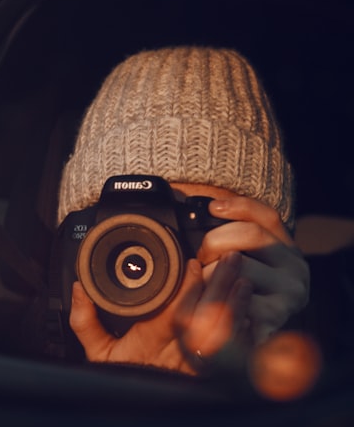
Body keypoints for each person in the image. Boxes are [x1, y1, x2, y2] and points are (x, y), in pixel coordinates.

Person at [56, 47, 310, 375]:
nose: (149, 271)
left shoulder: (329, 376)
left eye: (197, 220)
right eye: (121, 231)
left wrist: (273, 354)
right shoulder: (13, 361)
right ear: (68, 244)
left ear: (267, 252)